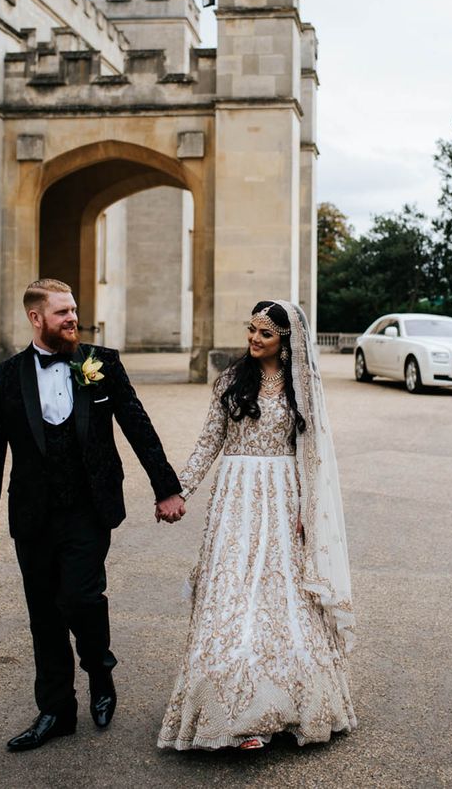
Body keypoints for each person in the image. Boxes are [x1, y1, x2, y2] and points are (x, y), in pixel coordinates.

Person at [0, 278, 185, 753]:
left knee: (81, 597)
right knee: (44, 614)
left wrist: (166, 486)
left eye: (74, 310)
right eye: (62, 312)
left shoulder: (100, 364)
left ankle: (100, 673)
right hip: (32, 515)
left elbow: (136, 422)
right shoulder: (4, 378)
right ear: (36, 318)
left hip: (89, 507)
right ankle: (56, 710)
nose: (73, 318)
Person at [158, 299, 356, 751]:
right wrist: (179, 490)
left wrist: (309, 510)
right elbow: (209, 441)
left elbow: (313, 455)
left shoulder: (300, 388)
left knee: (281, 596)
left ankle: (285, 708)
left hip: (283, 497)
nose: (253, 339)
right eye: (251, 330)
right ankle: (233, 713)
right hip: (235, 500)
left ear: (284, 342)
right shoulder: (230, 381)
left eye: (264, 334)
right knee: (231, 595)